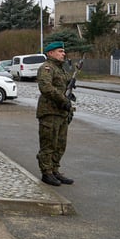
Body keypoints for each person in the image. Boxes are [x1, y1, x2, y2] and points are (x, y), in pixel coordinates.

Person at [36, 41, 75, 186]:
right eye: (60, 51)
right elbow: (46, 87)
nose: (63, 54)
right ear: (50, 53)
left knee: (60, 144)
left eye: (64, 51)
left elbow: (63, 86)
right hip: (50, 112)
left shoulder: (61, 69)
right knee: (49, 144)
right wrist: (62, 100)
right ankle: (46, 172)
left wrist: (71, 84)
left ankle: (54, 170)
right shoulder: (47, 68)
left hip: (62, 113)